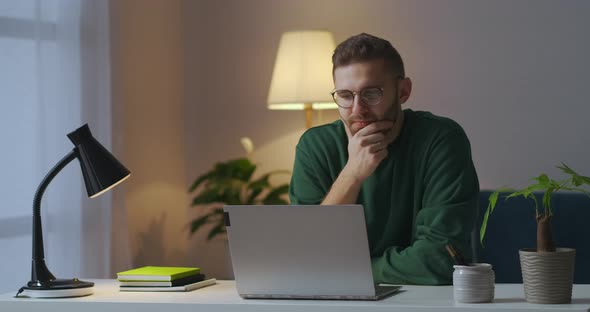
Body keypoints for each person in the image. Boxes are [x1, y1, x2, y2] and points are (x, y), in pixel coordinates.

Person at [289, 33, 479, 285]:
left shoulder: (441, 139)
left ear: (403, 91)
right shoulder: (315, 146)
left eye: (371, 94)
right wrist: (352, 174)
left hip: (424, 301)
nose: (357, 110)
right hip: (335, 299)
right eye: (345, 95)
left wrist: (344, 269)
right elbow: (306, 256)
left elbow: (439, 260)